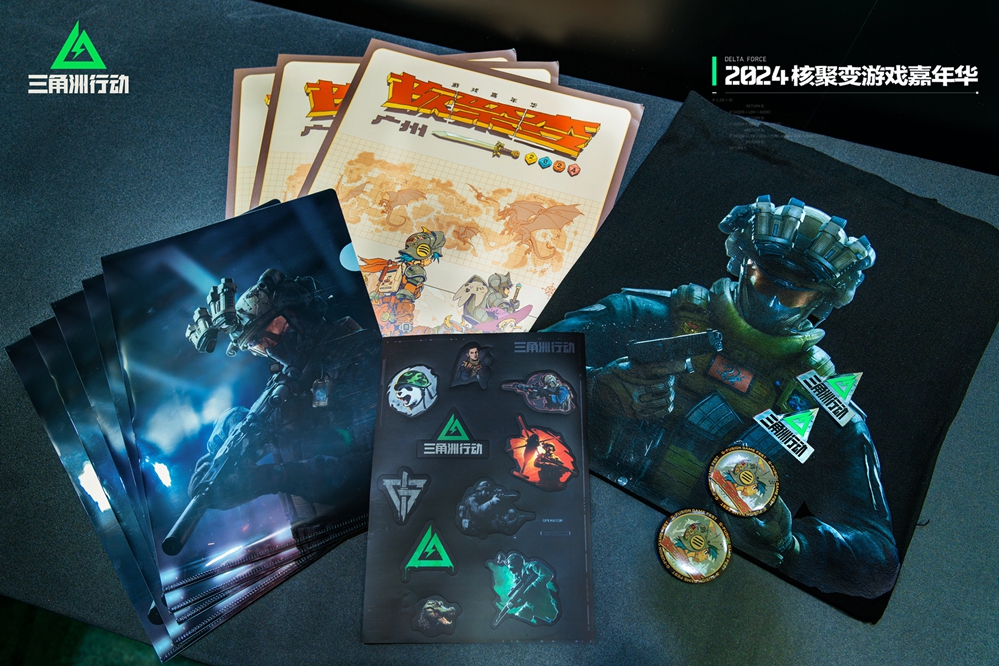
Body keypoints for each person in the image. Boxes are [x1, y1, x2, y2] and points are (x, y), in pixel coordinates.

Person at [545, 196, 899, 599]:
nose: (772, 300)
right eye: (766, 278)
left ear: (822, 300)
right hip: (568, 511)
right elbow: (502, 368)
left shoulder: (825, 404)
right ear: (743, 264)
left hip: (683, 587)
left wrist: (790, 545)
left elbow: (877, 563)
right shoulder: (640, 314)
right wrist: (589, 388)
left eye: (795, 292)